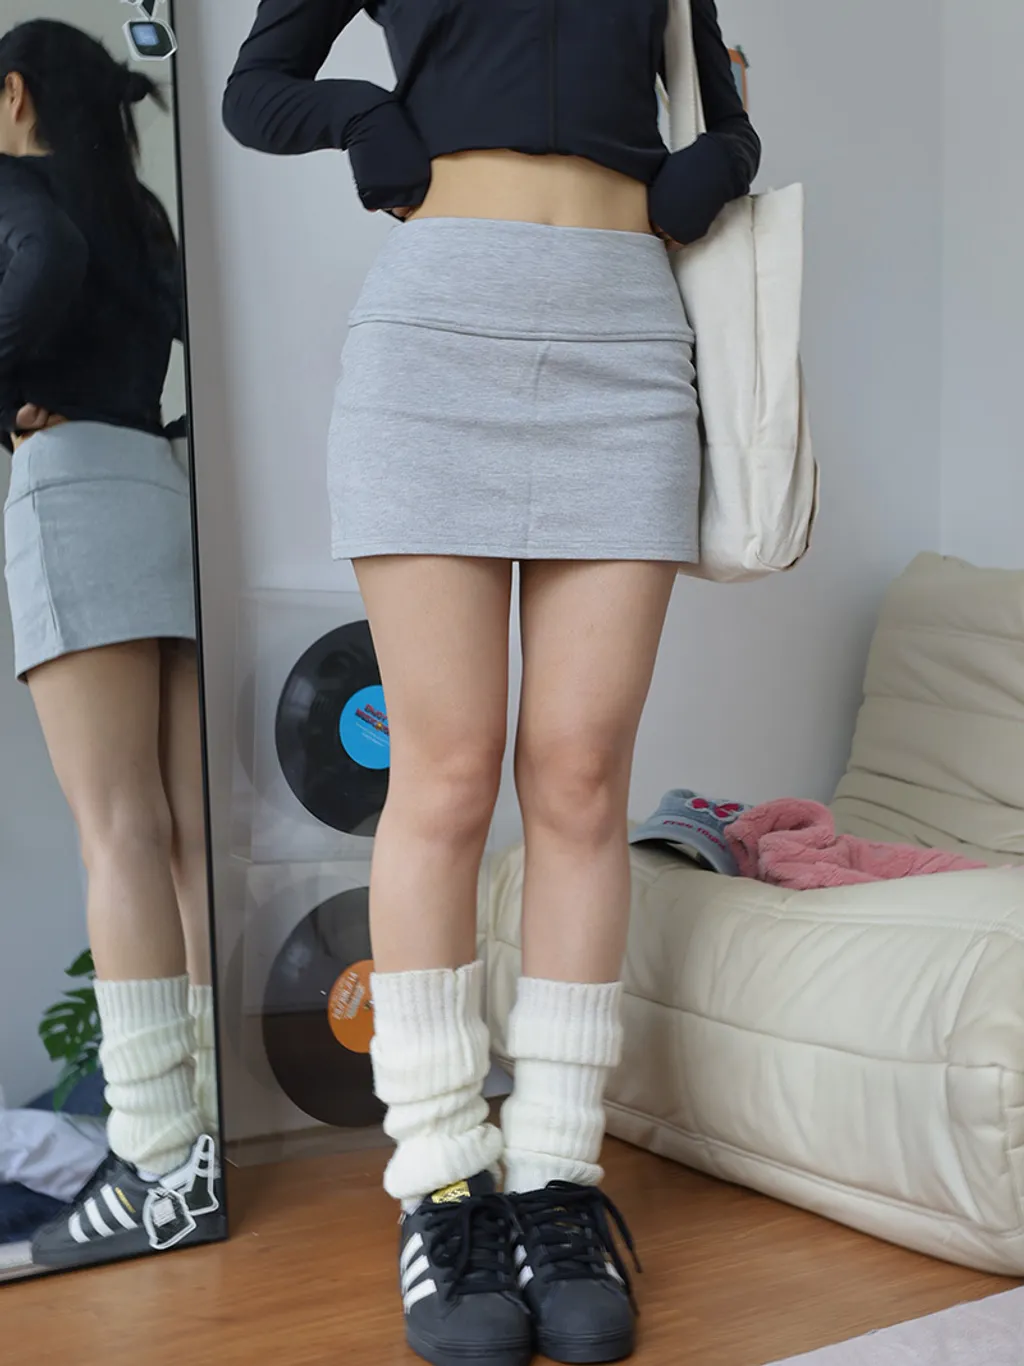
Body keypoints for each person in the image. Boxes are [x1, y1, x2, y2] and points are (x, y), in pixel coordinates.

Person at [224, 3, 759, 1363]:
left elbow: (718, 107)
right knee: (447, 774)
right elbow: (257, 87)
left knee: (580, 776)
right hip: (435, 332)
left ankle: (558, 1179)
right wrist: (366, 117)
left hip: (625, 341)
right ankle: (446, 1183)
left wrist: (710, 169)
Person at [0, 20, 220, 1266]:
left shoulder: (19, 189)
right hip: (158, 481)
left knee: (119, 830)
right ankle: (203, 1135)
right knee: (181, 836)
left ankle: (154, 1157)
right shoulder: (142, 210)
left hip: (74, 482)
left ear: (13, 95)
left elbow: (40, 261)